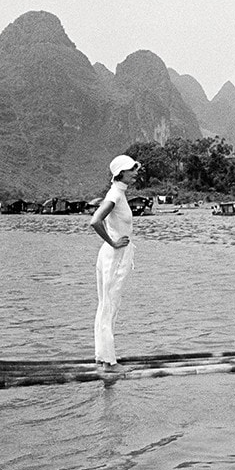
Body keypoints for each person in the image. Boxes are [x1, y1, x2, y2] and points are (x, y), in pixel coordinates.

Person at [90, 154, 141, 370]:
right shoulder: (115, 195)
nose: (136, 172)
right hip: (115, 256)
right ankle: (110, 362)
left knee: (107, 304)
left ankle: (103, 356)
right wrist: (113, 242)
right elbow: (95, 220)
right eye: (132, 169)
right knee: (109, 304)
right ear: (121, 173)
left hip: (113, 255)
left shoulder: (119, 193)